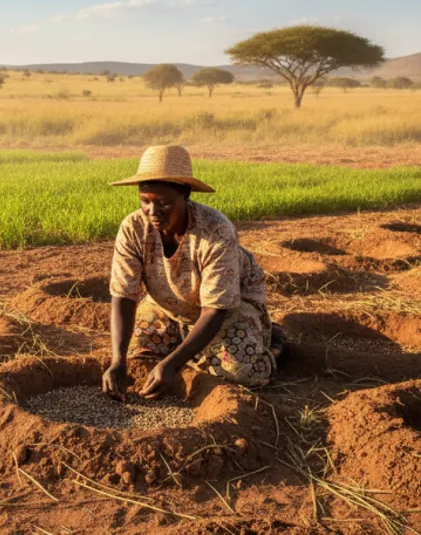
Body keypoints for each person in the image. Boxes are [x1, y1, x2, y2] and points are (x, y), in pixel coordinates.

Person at [101, 145, 284, 401]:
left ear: (185, 196)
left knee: (240, 371)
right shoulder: (133, 228)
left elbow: (215, 309)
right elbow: (123, 295)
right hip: (169, 302)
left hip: (230, 306)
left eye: (164, 203)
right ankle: (190, 343)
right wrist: (117, 361)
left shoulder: (216, 230)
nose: (153, 212)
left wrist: (173, 365)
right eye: (145, 202)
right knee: (138, 356)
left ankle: (273, 342)